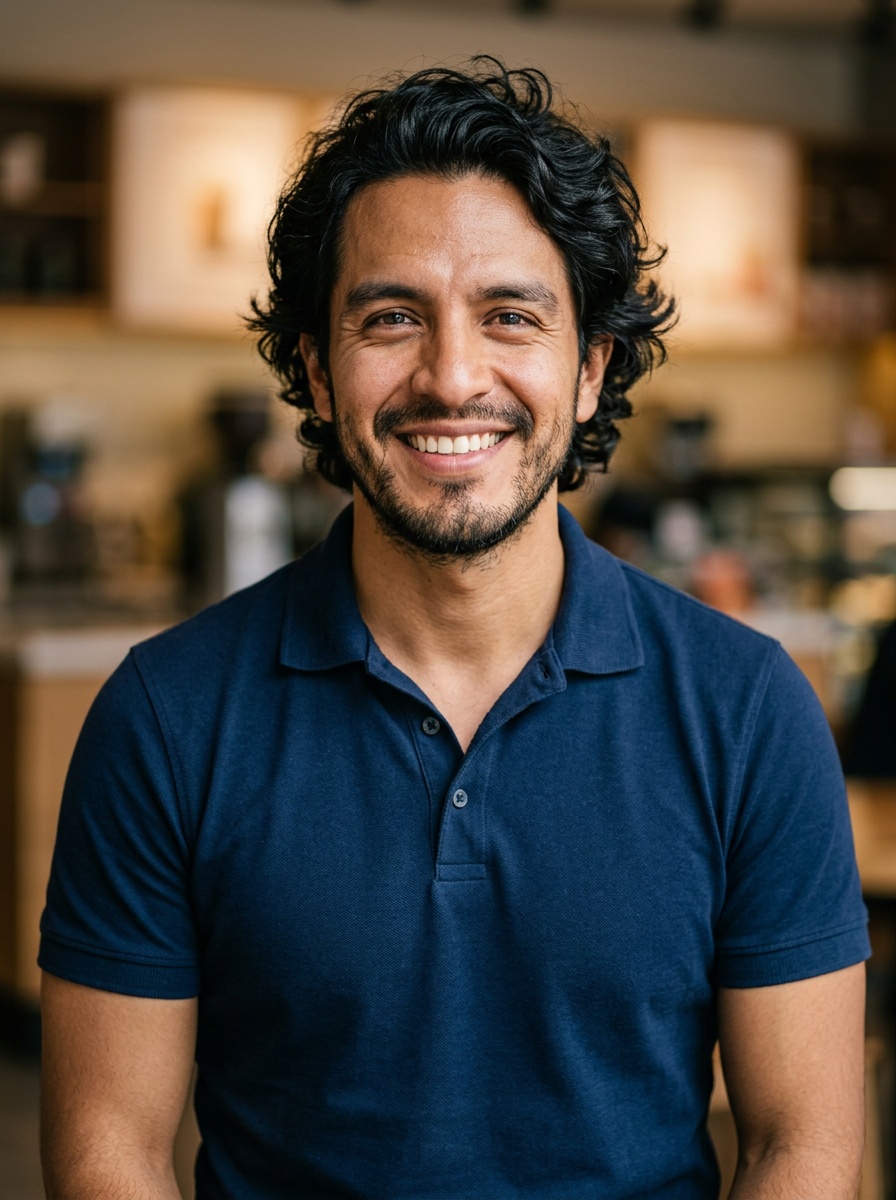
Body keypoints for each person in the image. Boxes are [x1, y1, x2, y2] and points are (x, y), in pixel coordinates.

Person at [39, 59, 869, 1200]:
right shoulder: (166, 716)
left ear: (588, 369)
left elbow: (802, 1148)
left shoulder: (746, 709)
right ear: (315, 373)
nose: (451, 375)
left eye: (509, 315)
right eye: (390, 317)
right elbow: (107, 1153)